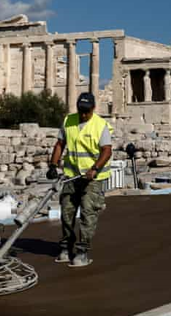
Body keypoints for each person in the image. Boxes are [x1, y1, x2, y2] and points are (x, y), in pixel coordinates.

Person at [47, 92, 113, 268]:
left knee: (87, 212)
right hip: (72, 175)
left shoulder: (100, 125)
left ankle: (82, 250)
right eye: (80, 110)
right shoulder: (69, 121)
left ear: (93, 109)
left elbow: (107, 150)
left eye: (87, 111)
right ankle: (65, 246)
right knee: (67, 212)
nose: (83, 114)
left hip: (93, 178)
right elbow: (60, 144)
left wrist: (95, 168)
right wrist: (53, 165)